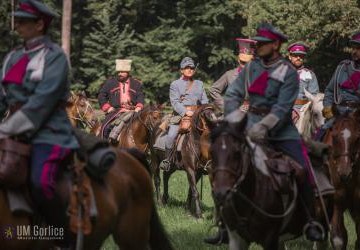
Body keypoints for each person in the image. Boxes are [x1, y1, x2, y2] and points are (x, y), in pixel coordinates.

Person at [224, 22, 324, 242]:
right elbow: (232, 94)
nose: (257, 47)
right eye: (258, 43)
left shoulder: (289, 72)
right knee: (227, 163)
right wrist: (233, 118)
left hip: (282, 131)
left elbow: (282, 107)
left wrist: (263, 126)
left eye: (263, 43)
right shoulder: (251, 68)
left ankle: (311, 220)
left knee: (303, 168)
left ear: (276, 44)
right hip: (249, 124)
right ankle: (224, 223)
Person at [0, 0, 78, 247]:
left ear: (39, 24)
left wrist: (5, 128)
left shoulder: (55, 57)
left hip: (49, 133)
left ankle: (61, 238)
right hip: (12, 132)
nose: (18, 25)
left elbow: (42, 103)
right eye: (18, 19)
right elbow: (2, 96)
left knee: (39, 181)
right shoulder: (12, 57)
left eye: (23, 20)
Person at [162, 57, 208, 166]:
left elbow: (205, 100)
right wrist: (185, 112)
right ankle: (167, 160)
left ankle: (209, 160)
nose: (190, 70)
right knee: (171, 135)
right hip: (180, 116)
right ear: (181, 70)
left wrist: (203, 111)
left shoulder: (199, 83)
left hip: (198, 115)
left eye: (192, 68)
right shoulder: (175, 84)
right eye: (187, 68)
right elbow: (175, 102)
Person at [98, 59, 144, 140]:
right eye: (119, 72)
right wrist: (108, 108)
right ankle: (104, 148)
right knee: (105, 128)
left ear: (128, 72)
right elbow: (101, 95)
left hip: (133, 112)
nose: (120, 74)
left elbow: (140, 96)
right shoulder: (110, 83)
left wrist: (138, 107)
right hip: (115, 112)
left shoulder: (136, 84)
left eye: (122, 72)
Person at [209, 38, 256, 112]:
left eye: (247, 63)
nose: (244, 66)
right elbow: (213, 90)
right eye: (242, 62)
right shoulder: (229, 75)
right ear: (238, 59)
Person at [322, 31, 360, 122]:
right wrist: (328, 108)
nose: (354, 51)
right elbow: (329, 91)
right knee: (320, 134)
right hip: (338, 114)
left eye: (358, 49)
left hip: (358, 117)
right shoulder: (342, 67)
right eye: (353, 48)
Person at [287, 42, 319, 111]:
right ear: (290, 57)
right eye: (295, 55)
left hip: (304, 110)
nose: (298, 58)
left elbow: (314, 96)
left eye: (301, 56)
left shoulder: (310, 74)